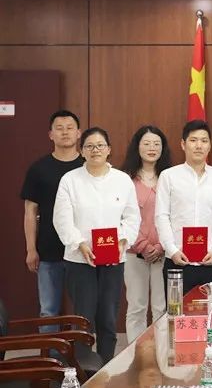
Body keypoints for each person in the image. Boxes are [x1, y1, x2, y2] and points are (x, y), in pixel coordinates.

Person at [52, 127, 140, 363]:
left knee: (108, 317)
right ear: (82, 151)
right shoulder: (70, 180)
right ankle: (84, 370)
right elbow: (62, 218)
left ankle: (106, 367)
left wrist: (123, 240)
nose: (95, 150)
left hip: (114, 260)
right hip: (80, 260)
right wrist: (79, 243)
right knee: (83, 318)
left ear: (109, 149)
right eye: (89, 146)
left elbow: (132, 217)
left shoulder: (122, 180)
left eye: (100, 145)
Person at [20, 110, 84, 331]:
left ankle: (81, 352)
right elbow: (30, 211)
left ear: (78, 133)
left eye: (70, 128)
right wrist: (31, 249)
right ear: (50, 134)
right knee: (48, 310)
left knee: (83, 310)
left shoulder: (88, 166)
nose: (65, 132)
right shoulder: (39, 169)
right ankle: (51, 352)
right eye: (59, 128)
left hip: (83, 251)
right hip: (48, 250)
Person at [155, 120, 212, 293]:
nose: (199, 145)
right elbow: (161, 216)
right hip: (177, 260)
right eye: (193, 140)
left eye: (204, 141)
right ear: (183, 144)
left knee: (211, 309)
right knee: (176, 309)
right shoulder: (168, 176)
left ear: (210, 146)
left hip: (210, 260)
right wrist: (172, 250)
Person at [120, 125, 172, 342]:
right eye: (147, 143)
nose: (152, 148)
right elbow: (122, 216)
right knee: (136, 306)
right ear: (137, 147)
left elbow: (175, 215)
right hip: (134, 252)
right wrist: (142, 245)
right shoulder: (125, 179)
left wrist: (161, 246)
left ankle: (161, 352)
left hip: (164, 252)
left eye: (157, 144)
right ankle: (135, 353)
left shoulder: (170, 177)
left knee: (162, 306)